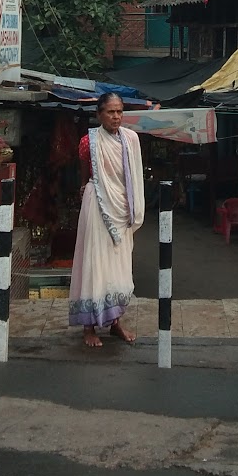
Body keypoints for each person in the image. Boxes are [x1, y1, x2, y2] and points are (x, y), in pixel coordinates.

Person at [69, 92, 145, 348]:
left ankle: (115, 323)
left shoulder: (131, 139)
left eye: (119, 111)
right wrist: (85, 189)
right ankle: (88, 327)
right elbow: (85, 174)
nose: (116, 116)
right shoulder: (88, 141)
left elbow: (133, 177)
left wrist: (132, 207)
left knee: (119, 266)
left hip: (122, 207)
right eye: (111, 112)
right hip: (97, 205)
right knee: (94, 261)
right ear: (99, 114)